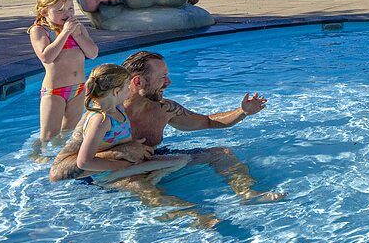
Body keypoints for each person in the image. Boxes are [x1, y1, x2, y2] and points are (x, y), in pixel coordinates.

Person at [50, 51, 280, 205]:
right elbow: (57, 172)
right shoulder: (104, 114)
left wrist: (243, 112)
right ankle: (198, 221)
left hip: (148, 163)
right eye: (163, 77)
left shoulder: (164, 109)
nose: (168, 83)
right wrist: (118, 153)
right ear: (138, 81)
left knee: (222, 154)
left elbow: (208, 121)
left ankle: (248, 195)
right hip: (107, 176)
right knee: (139, 185)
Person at [30, 0, 99, 142]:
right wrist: (65, 33)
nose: (67, 14)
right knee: (48, 136)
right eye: (59, 10)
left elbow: (93, 53)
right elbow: (47, 57)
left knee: (69, 134)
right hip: (55, 91)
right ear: (44, 12)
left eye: (70, 8)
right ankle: (38, 160)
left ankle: (61, 158)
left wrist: (77, 35)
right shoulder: (40, 31)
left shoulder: (78, 28)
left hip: (79, 89)